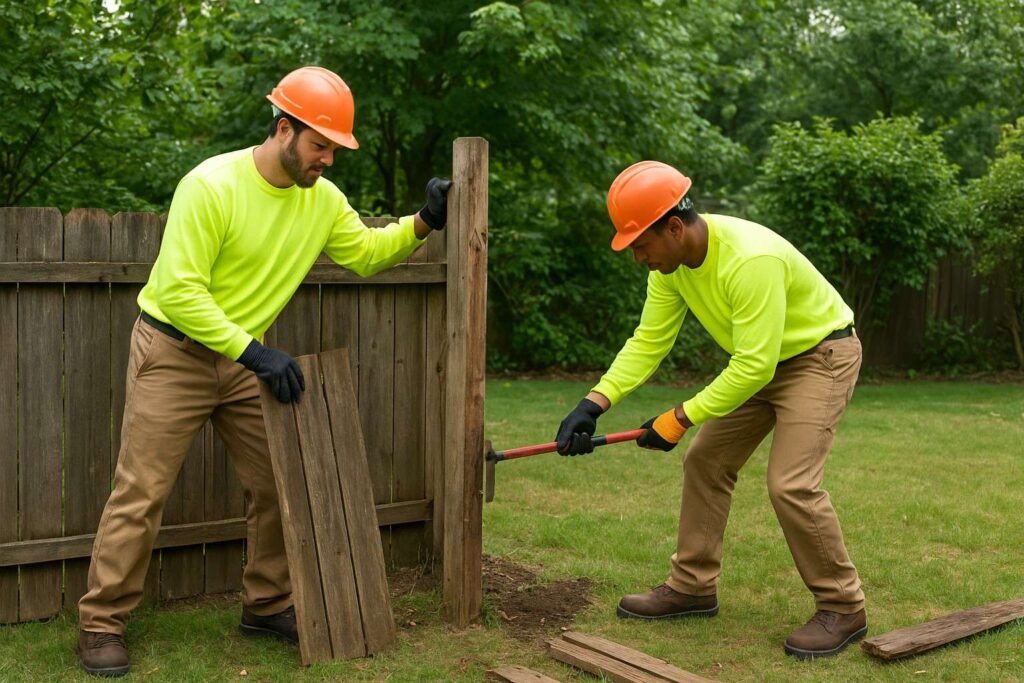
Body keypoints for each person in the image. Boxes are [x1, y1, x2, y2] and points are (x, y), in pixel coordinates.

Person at [76, 66, 452, 677]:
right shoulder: (211, 186)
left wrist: (423, 223)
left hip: (245, 359)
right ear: (284, 129)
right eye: (320, 145)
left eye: (336, 149)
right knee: (140, 493)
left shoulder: (322, 201)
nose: (328, 160)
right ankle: (102, 622)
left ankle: (267, 603)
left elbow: (363, 253)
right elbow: (180, 294)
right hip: (173, 353)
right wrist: (254, 353)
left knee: (277, 484)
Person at [555, 160, 867, 660]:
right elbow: (649, 341)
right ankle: (693, 586)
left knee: (791, 482)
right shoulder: (671, 267)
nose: (638, 257)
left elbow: (753, 366)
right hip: (761, 362)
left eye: (641, 244)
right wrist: (593, 402)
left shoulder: (749, 259)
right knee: (706, 459)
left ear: (674, 227)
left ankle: (843, 607)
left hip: (819, 357)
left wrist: (678, 418)